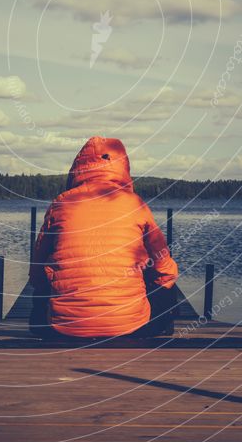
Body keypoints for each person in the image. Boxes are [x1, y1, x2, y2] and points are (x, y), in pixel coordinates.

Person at [29, 136, 179, 339]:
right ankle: (158, 326)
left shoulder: (61, 204)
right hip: (131, 328)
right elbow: (164, 269)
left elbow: (37, 271)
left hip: (65, 329)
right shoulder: (135, 204)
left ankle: (46, 326)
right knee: (167, 282)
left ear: (78, 167)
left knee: (41, 296)